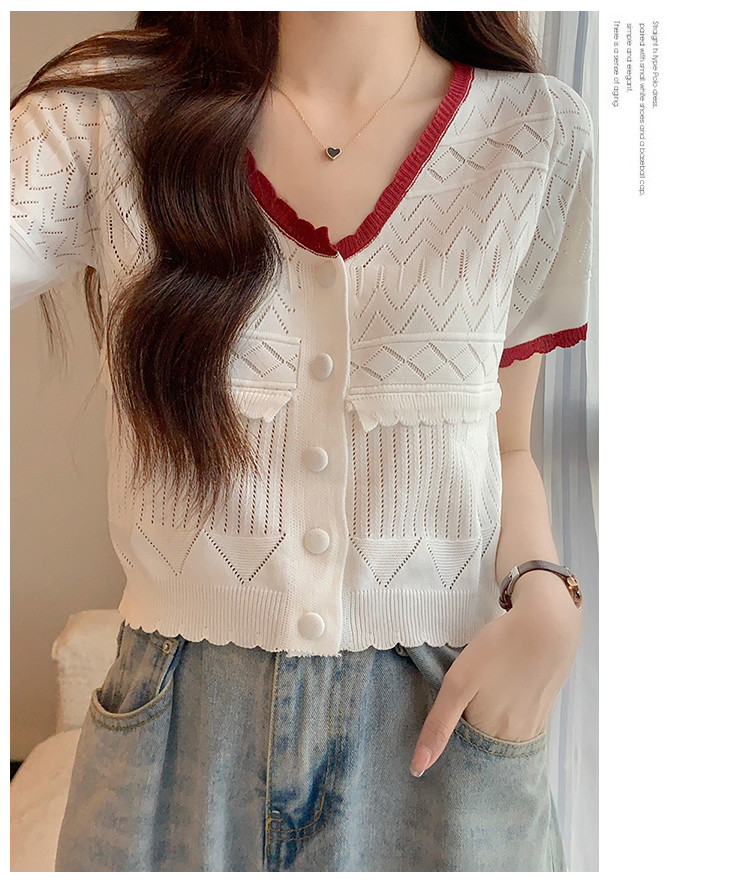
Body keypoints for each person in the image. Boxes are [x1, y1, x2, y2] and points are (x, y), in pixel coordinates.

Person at [10, 11, 594, 872]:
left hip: (441, 722)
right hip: (175, 737)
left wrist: (548, 595)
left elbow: (509, 446)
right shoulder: (107, 112)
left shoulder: (536, 130)